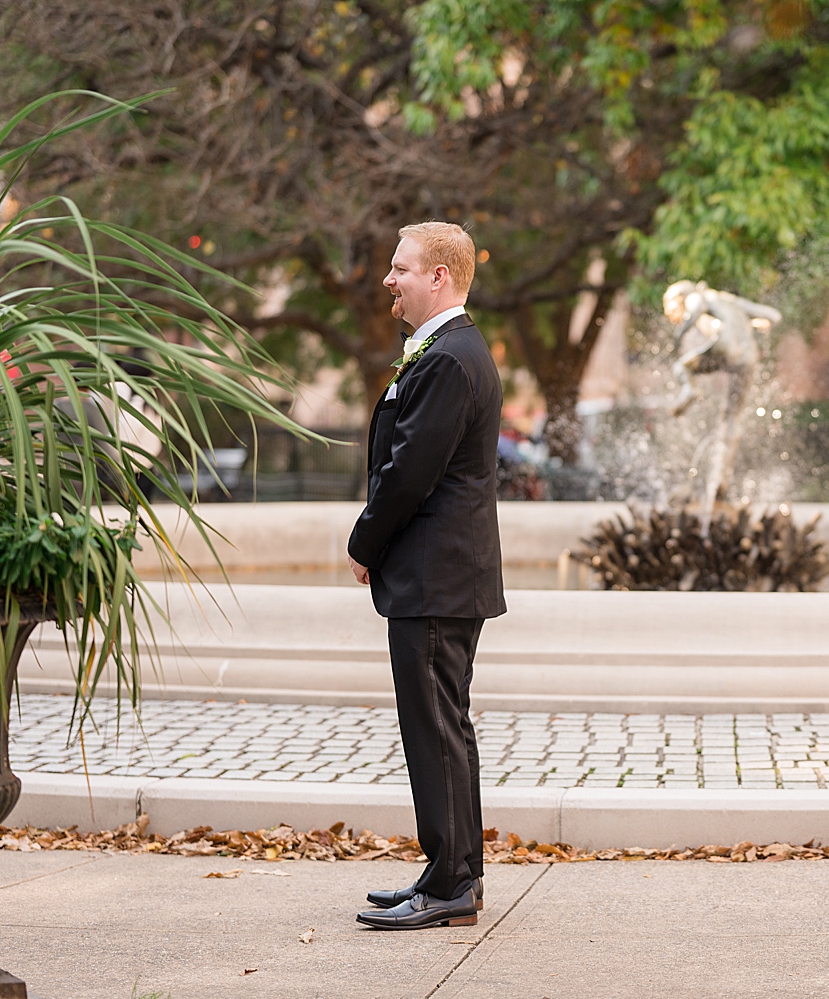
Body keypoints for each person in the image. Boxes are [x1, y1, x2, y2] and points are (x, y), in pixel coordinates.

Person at [348, 222, 506, 930]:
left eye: (400, 267)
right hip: (443, 576)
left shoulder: (447, 359)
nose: (390, 278)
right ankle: (453, 874)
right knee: (446, 727)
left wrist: (365, 542)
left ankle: (449, 881)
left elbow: (410, 471)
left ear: (438, 277)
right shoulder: (449, 351)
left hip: (435, 576)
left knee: (436, 729)